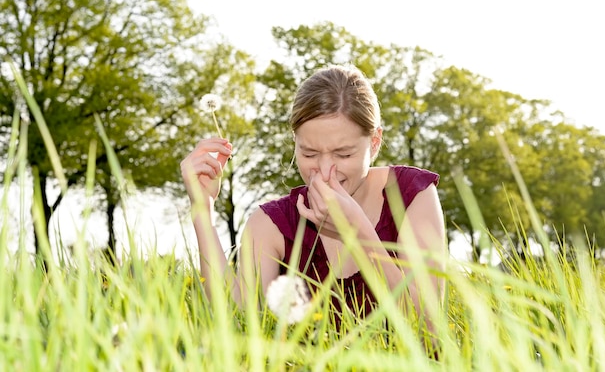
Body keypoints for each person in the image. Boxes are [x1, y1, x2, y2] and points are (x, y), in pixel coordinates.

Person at [180, 64, 447, 336]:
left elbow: (429, 329)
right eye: (309, 154)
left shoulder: (411, 195)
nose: (325, 170)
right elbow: (235, 324)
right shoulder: (272, 223)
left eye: (343, 155)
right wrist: (203, 210)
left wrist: (358, 234)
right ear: (295, 142)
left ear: (375, 142)